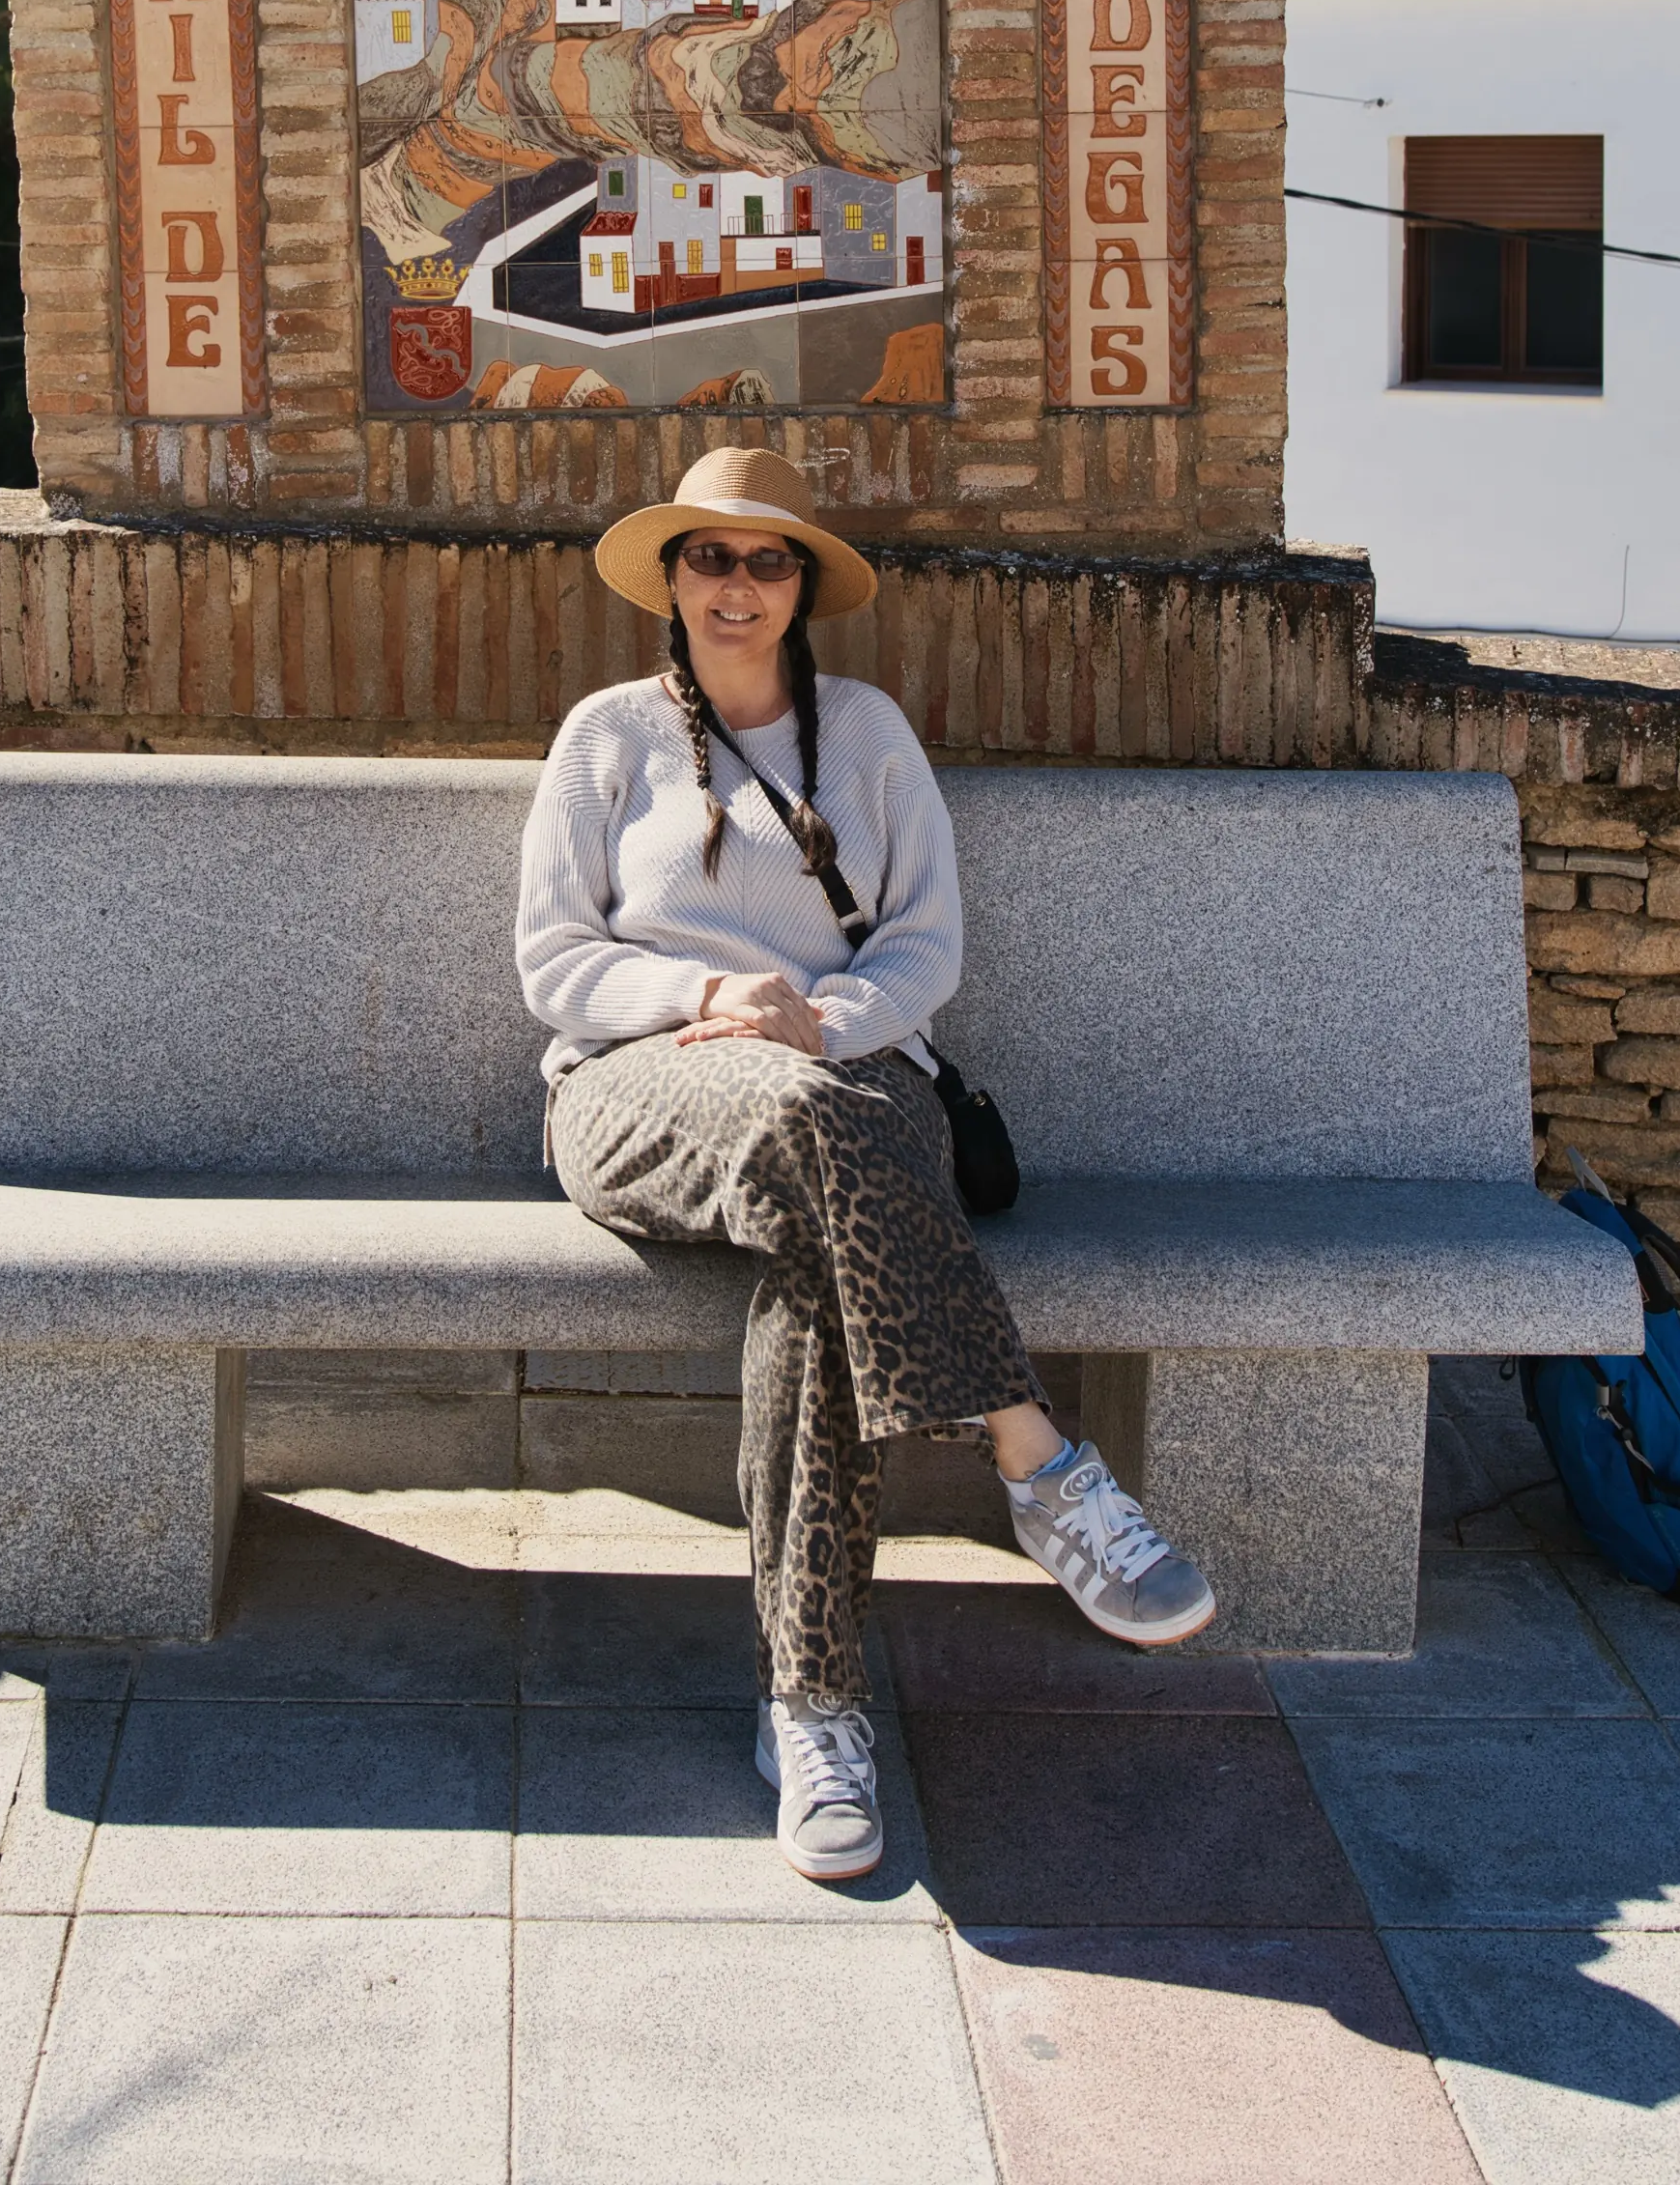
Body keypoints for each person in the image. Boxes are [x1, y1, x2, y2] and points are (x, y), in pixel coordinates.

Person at [517, 445, 1215, 1885]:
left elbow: (923, 948)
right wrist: (711, 1004)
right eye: (709, 556)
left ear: (801, 589)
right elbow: (553, 960)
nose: (736, 583)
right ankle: (1040, 1460)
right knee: (811, 1136)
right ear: (670, 577)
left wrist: (811, 1026)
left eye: (768, 561)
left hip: (850, 1087)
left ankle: (813, 1703)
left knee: (817, 1290)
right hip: (641, 1091)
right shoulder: (605, 738)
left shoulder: (874, 737)